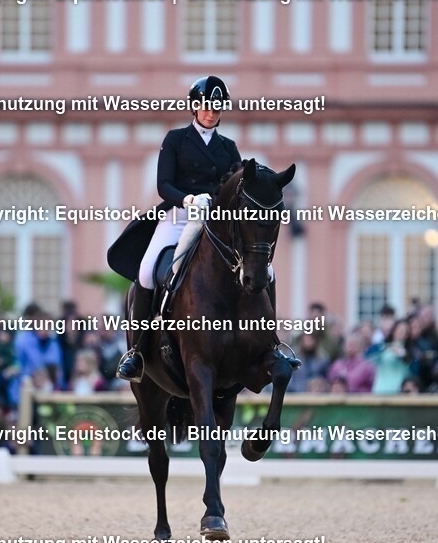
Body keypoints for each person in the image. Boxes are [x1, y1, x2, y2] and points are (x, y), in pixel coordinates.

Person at [107, 75, 298, 382]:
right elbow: (163, 185)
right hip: (180, 215)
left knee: (269, 272)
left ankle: (271, 343)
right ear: (194, 107)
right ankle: (137, 352)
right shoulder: (175, 140)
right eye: (206, 107)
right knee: (146, 271)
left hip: (217, 222)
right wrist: (189, 198)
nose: (211, 113)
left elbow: (240, 184)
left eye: (216, 108)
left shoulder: (228, 147)